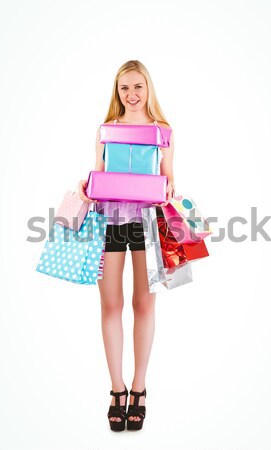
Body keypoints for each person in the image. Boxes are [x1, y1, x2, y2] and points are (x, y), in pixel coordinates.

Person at [78, 60, 175, 431]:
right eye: (124, 88)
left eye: (137, 87)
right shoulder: (106, 130)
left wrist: (170, 192)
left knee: (143, 302)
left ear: (148, 88)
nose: (131, 95)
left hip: (148, 221)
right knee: (111, 303)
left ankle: (139, 387)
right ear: (116, 93)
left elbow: (170, 182)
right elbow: (98, 173)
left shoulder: (163, 131)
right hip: (109, 219)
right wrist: (86, 186)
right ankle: (117, 389)